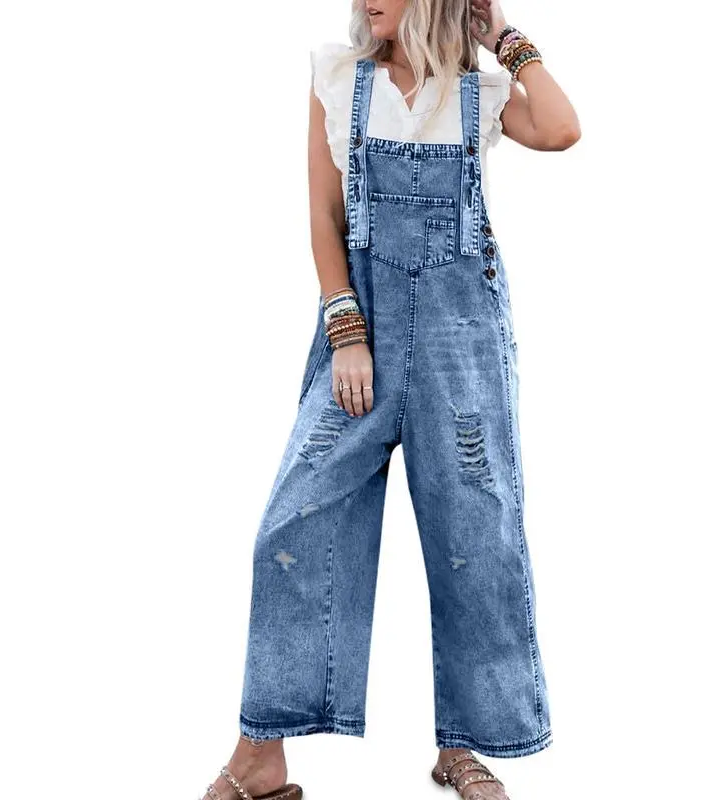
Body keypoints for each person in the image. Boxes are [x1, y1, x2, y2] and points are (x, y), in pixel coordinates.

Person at [198, 1, 580, 798]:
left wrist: (502, 37)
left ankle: (462, 747)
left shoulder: (477, 92)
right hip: (360, 337)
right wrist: (346, 330)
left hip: (459, 343)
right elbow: (323, 215)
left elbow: (561, 128)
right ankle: (261, 753)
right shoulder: (338, 78)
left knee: (475, 534)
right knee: (292, 524)